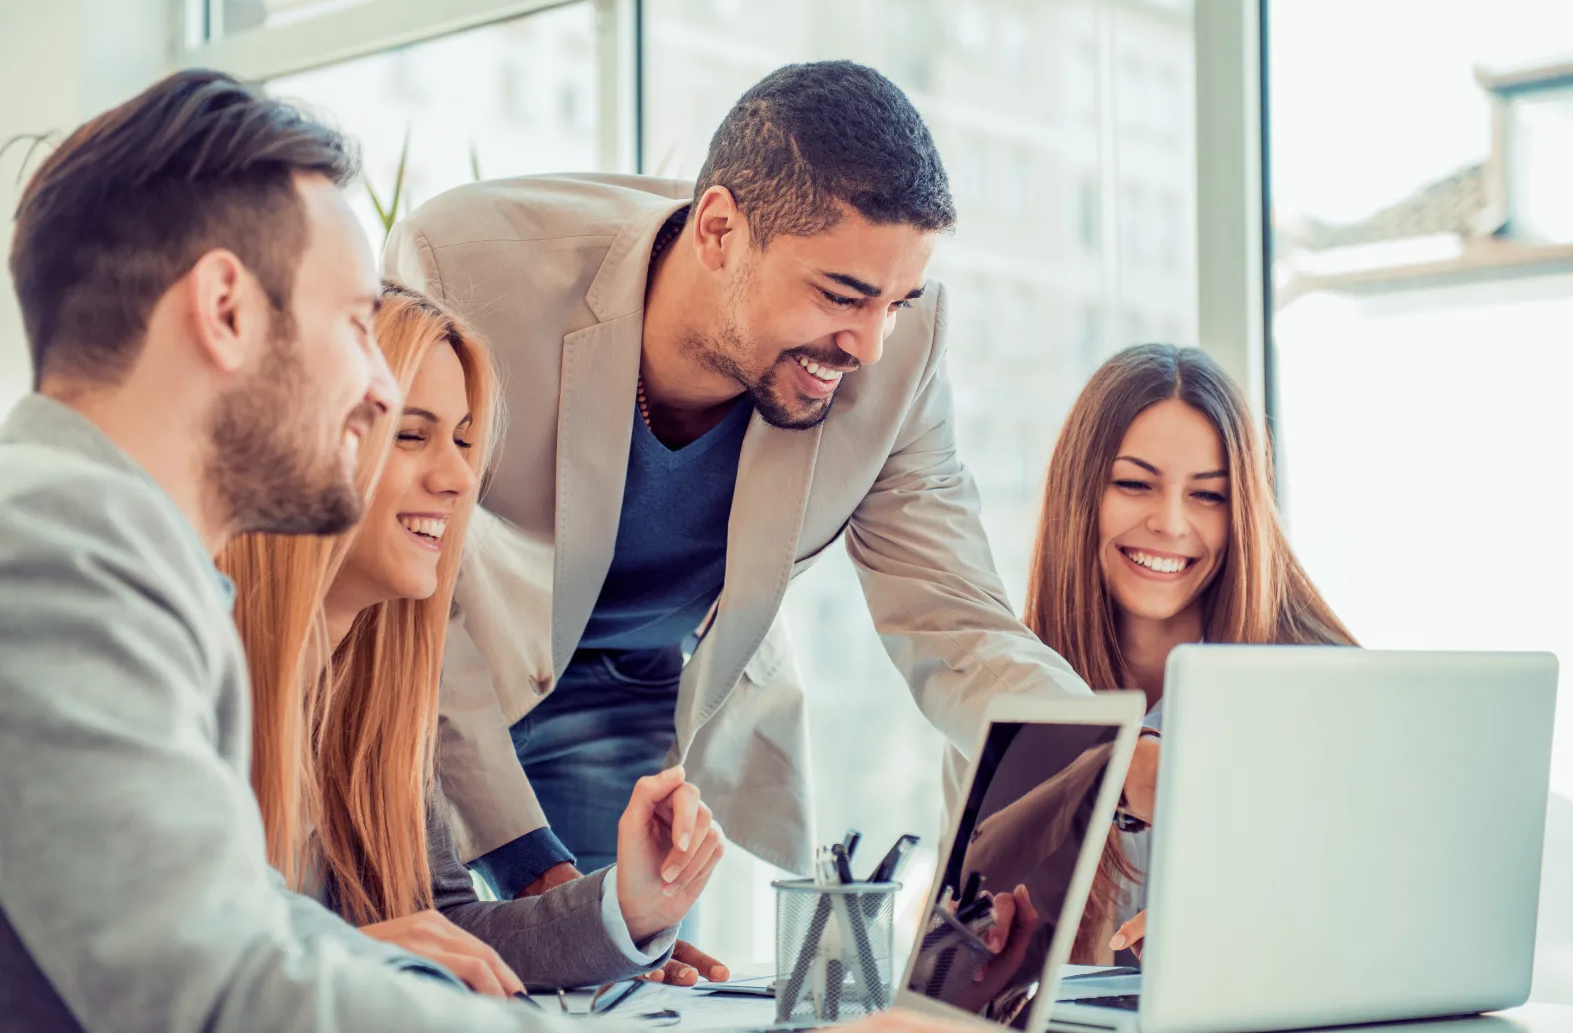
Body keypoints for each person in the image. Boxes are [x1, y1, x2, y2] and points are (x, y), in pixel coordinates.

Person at [0, 67, 974, 1033]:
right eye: (354, 322)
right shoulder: (57, 565)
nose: (377, 386)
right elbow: (221, 987)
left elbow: (268, 933)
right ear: (225, 310)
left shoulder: (116, 564)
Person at [381, 61, 1091, 976]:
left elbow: (955, 619)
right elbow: (407, 596)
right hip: (448, 660)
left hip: (637, 688)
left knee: (616, 986)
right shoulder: (466, 267)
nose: (870, 345)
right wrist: (536, 871)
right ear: (718, 229)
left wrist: (1106, 758)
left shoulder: (900, 351)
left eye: (897, 302)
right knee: (426, 963)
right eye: (842, 295)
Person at [219, 284, 721, 993]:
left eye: (462, 439)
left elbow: (440, 928)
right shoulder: (186, 677)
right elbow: (142, 965)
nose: (460, 477)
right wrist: (345, 955)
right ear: (297, 446)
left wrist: (628, 906)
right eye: (411, 434)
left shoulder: (376, 696)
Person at [1022, 342, 1356, 961]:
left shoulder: (1326, 693)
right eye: (1134, 484)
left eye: (1208, 495)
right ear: (1080, 494)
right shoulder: (1013, 688)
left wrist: (1248, 925)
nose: (1171, 524)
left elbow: (1361, 918)